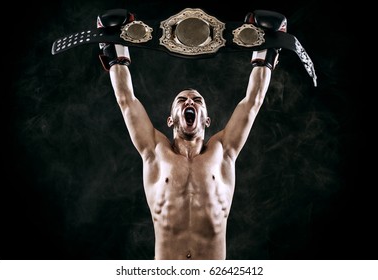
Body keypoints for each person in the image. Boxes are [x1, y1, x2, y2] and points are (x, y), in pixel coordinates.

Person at [98, 9, 286, 260]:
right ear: (170, 118)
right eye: (182, 100)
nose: (190, 102)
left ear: (207, 119)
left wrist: (267, 50)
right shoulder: (155, 151)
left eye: (197, 100)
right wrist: (114, 49)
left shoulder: (224, 152)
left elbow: (252, 101)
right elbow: (126, 100)